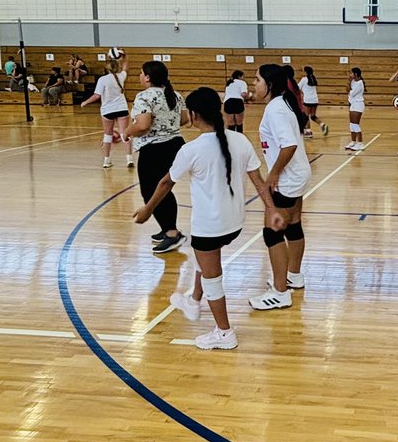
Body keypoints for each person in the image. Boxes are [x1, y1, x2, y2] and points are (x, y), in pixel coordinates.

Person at [133, 86, 283, 350]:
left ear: (193, 115)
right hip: (234, 223)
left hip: (210, 227)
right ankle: (193, 300)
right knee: (204, 257)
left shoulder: (192, 149)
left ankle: (224, 333)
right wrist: (271, 210)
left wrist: (147, 210)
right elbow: (259, 182)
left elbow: (166, 183)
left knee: (212, 273)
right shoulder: (240, 141)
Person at [249, 63, 312, 311]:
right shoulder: (284, 103)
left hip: (287, 177)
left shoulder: (275, 109)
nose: (254, 84)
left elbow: (288, 145)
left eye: (257, 80)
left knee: (272, 232)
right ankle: (293, 275)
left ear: (269, 85)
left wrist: (272, 174)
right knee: (293, 225)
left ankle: (279, 292)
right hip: (299, 173)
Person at [124, 60, 189, 254]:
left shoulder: (144, 96)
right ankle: (168, 228)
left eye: (141, 73)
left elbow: (143, 125)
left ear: (148, 77)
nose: (139, 76)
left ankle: (172, 233)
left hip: (155, 149)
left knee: (151, 191)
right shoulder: (175, 94)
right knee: (164, 188)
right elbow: (185, 119)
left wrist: (127, 131)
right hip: (175, 145)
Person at [81, 55, 133, 169]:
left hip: (107, 110)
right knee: (124, 134)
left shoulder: (102, 80)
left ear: (107, 68)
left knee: (107, 135)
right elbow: (126, 67)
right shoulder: (121, 77)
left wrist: (85, 102)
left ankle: (106, 161)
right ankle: (129, 159)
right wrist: (125, 57)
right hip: (122, 108)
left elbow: (96, 95)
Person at [299, 65, 329, 137]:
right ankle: (322, 124)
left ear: (305, 72)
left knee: (306, 116)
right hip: (315, 100)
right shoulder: (313, 79)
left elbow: (298, 87)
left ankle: (308, 132)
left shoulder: (304, 79)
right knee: (312, 116)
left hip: (308, 100)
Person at [345, 66, 366, 151]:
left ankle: (360, 143)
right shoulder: (353, 81)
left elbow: (351, 94)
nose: (350, 75)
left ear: (355, 74)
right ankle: (353, 141)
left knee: (355, 124)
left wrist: (349, 89)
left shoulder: (360, 83)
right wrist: (349, 81)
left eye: (351, 73)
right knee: (351, 124)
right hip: (352, 104)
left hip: (358, 104)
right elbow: (347, 89)